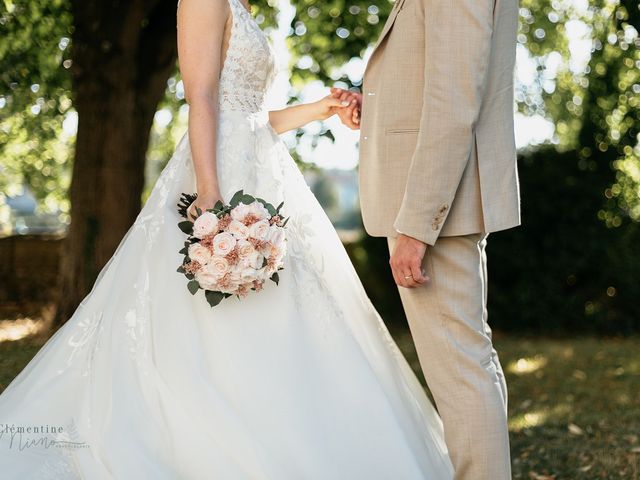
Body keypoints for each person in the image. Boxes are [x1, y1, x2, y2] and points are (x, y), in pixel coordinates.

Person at [0, 0, 455, 478]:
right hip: (221, 179)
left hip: (266, 177)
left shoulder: (241, 6)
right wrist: (212, 198)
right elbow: (202, 98)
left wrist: (321, 108)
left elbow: (252, 119)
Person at [332, 0, 521, 478]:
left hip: (438, 210)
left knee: (461, 371)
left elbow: (455, 98)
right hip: (440, 204)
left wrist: (417, 224)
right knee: (467, 363)